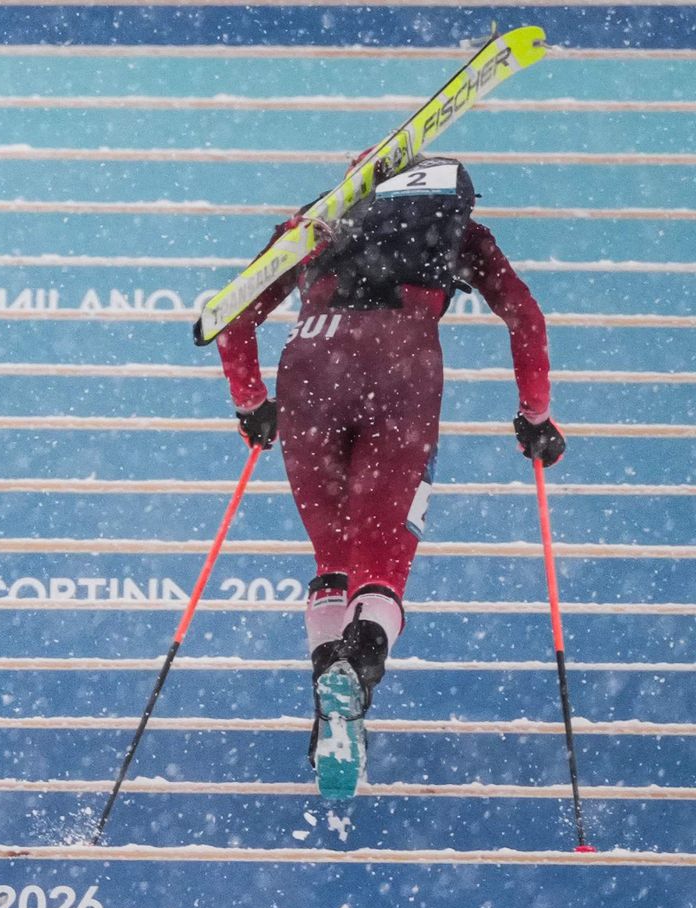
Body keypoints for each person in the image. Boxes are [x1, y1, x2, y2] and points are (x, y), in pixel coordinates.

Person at [212, 155, 563, 800]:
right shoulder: (455, 228)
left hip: (309, 368)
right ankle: (354, 673)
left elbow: (233, 313)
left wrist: (252, 403)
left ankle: (331, 697)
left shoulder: (314, 221)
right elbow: (524, 315)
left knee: (333, 560)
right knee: (381, 566)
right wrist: (534, 415)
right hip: (400, 368)